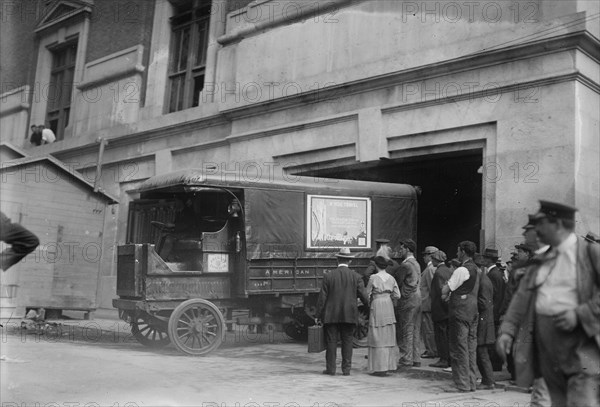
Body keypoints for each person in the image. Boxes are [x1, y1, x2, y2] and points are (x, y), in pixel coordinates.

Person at [497, 200, 600, 407]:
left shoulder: (590, 254)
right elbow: (521, 298)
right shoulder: (541, 260)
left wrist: (579, 313)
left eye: (542, 225)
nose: (538, 231)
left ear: (559, 226)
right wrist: (507, 330)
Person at [316, 247, 369, 376]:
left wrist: (318, 315)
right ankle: (346, 370)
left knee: (331, 342)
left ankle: (331, 369)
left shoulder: (328, 276)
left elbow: (322, 298)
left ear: (337, 260)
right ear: (349, 261)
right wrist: (370, 307)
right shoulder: (356, 277)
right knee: (348, 341)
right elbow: (364, 296)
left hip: (331, 314)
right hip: (349, 314)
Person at [442, 241, 479, 392]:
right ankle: (471, 382)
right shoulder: (476, 268)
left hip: (459, 312)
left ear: (463, 251)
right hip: (472, 310)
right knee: (470, 348)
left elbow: (445, 289)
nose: (457, 254)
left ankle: (462, 384)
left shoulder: (461, 270)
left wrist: (447, 292)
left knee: (459, 348)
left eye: (458, 251)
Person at [366, 255, 401, 376]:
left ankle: (378, 367)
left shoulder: (373, 278)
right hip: (388, 305)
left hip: (377, 304)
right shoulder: (391, 278)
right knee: (387, 334)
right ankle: (388, 365)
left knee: (377, 334)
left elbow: (367, 293)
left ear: (376, 265)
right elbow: (397, 295)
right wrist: (388, 296)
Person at [392, 238, 422, 369]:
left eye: (402, 248)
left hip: (408, 299)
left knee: (406, 329)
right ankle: (416, 357)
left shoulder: (405, 265)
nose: (400, 250)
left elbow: (396, 282)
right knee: (415, 329)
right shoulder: (416, 264)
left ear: (408, 249)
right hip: (418, 298)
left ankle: (406, 358)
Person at [474, 253, 496, 390]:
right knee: (481, 352)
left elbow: (483, 303)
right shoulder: (484, 278)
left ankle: (488, 381)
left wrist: (471, 302)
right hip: (485, 319)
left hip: (483, 320)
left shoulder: (482, 280)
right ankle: (488, 380)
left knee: (482, 352)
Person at [482, 247, 504, 371]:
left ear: (489, 260)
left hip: (493, 312)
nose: (483, 260)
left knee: (492, 340)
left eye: (485, 258)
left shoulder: (492, 274)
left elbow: (493, 296)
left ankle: (495, 365)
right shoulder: (495, 273)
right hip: (496, 311)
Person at [430, 250, 452, 368]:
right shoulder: (448, 270)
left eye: (433, 258)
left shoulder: (438, 272)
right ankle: (447, 358)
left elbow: (440, 291)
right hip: (447, 309)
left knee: (441, 335)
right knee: (447, 335)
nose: (431, 260)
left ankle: (444, 359)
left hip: (440, 308)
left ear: (436, 260)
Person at [420, 245, 439, 359]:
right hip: (428, 303)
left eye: (425, 255)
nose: (424, 257)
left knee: (428, 329)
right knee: (428, 328)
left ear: (430, 256)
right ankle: (431, 349)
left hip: (428, 303)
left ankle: (431, 350)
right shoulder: (431, 268)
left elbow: (433, 287)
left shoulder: (431, 269)